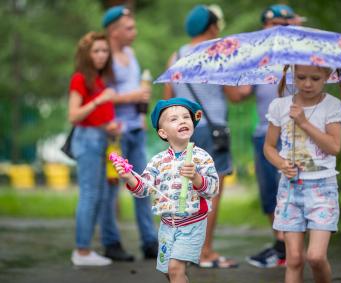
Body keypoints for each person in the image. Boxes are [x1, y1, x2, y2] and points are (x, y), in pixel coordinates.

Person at [163, 4, 250, 268]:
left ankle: (181, 249)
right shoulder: (218, 54)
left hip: (181, 133)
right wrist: (249, 86)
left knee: (184, 193)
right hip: (212, 132)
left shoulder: (175, 56)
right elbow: (235, 96)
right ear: (212, 27)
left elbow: (167, 100)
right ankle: (205, 252)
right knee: (209, 192)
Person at [112, 97, 219, 282]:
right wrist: (129, 177)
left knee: (175, 268)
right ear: (163, 132)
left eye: (186, 117)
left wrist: (196, 177)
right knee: (169, 272)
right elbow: (144, 189)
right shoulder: (158, 161)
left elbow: (213, 189)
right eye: (174, 119)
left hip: (192, 224)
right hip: (167, 225)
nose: (183, 121)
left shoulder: (201, 157)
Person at [264, 64, 341, 282]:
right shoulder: (279, 106)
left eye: (315, 78)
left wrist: (303, 122)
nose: (307, 83)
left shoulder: (332, 105)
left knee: (316, 257)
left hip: (322, 190)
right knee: (294, 259)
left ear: (327, 76)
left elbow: (334, 147)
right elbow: (269, 147)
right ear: (292, 74)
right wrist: (281, 163)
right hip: (290, 190)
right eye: (301, 77)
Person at [246, 4, 305, 269]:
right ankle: (281, 247)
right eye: (272, 25)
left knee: (296, 192)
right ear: (264, 28)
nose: (278, 30)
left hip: (298, 134)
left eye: (284, 24)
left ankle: (293, 248)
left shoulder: (303, 52)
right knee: (271, 194)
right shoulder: (258, 56)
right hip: (265, 133)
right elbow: (239, 94)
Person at [100, 5, 158, 261]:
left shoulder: (131, 54)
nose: (134, 32)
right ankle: (111, 243)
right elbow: (101, 98)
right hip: (115, 134)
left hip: (136, 129)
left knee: (142, 185)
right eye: (129, 28)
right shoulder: (105, 59)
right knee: (111, 189)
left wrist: (142, 113)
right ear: (114, 31)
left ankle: (149, 242)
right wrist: (132, 96)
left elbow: (137, 89)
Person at [68, 31, 121, 266]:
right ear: (86, 54)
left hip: (100, 138)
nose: (101, 55)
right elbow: (74, 115)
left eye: (105, 51)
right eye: (96, 51)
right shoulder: (80, 78)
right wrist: (100, 100)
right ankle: (82, 251)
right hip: (87, 140)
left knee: (98, 196)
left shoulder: (99, 80)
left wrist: (110, 126)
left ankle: (86, 249)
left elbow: (96, 116)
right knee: (89, 196)